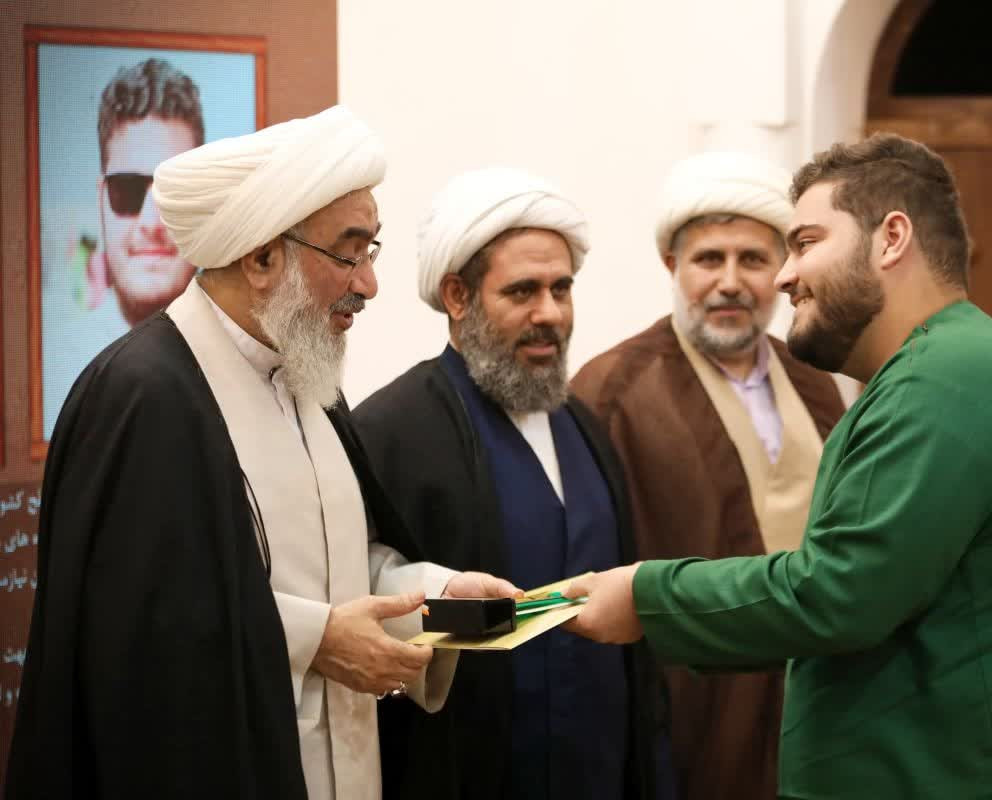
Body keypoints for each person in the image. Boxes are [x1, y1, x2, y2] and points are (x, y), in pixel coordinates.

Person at [565, 133, 992, 799]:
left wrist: (646, 597)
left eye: (805, 243)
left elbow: (839, 593)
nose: (783, 276)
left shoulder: (943, 380)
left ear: (891, 238)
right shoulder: (931, 371)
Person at [7, 106, 518, 800]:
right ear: (261, 258)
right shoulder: (143, 395)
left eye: (372, 250)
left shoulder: (309, 378)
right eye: (349, 253)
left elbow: (341, 570)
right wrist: (317, 640)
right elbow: (139, 633)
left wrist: (440, 600)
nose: (368, 283)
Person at [353, 167, 670, 800]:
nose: (549, 314)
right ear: (457, 296)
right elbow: (363, 604)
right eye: (523, 291)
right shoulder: (391, 429)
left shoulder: (584, 425)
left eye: (562, 289)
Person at [570, 151, 844, 800]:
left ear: (782, 269)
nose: (730, 282)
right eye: (708, 259)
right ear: (672, 266)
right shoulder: (612, 390)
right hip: (691, 704)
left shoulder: (813, 377)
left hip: (822, 693)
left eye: (752, 260)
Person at [42, 58, 208, 438]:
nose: (152, 222)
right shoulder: (58, 363)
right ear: (101, 200)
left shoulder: (252, 364)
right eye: (128, 190)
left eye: (174, 191)